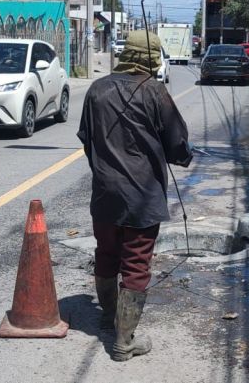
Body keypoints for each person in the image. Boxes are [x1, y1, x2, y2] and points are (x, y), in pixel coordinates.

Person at [77, 30, 193, 361]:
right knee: (136, 263)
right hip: (142, 196)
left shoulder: (98, 89)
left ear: (126, 53)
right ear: (152, 57)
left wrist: (105, 171)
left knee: (107, 253)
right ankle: (124, 342)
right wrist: (182, 154)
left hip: (105, 193)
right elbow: (178, 147)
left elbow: (88, 141)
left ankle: (107, 316)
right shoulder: (155, 92)